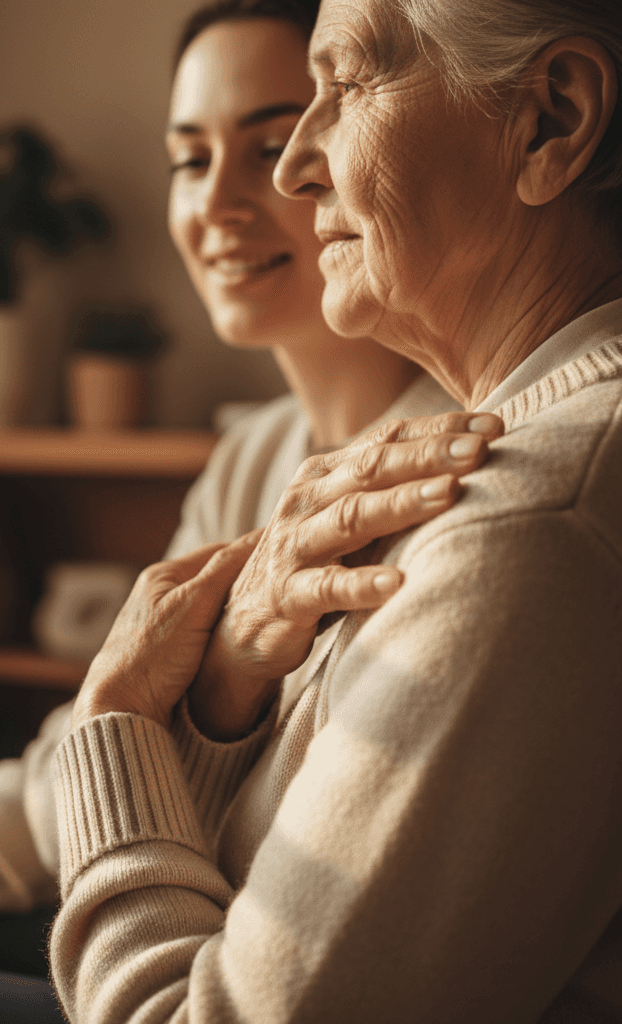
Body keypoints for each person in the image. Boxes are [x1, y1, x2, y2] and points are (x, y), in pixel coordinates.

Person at [0, 3, 495, 1022]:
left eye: (274, 144)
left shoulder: (445, 464)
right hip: (160, 917)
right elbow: (94, 751)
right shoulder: (252, 457)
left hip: (219, 972)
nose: (227, 200)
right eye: (189, 159)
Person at [49, 0, 622, 1021]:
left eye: (346, 85)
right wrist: (222, 694)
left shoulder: (528, 527)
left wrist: (116, 720)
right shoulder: (496, 466)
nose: (290, 167)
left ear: (549, 122)